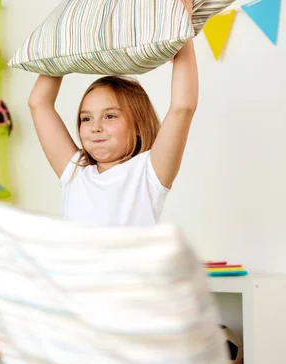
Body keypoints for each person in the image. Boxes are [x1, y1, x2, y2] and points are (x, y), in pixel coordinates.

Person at [27, 1, 198, 227]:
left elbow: (182, 107)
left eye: (110, 116)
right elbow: (38, 103)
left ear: (138, 126)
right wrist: (64, 43)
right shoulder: (75, 173)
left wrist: (181, 30)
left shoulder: (148, 173)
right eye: (86, 118)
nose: (95, 127)